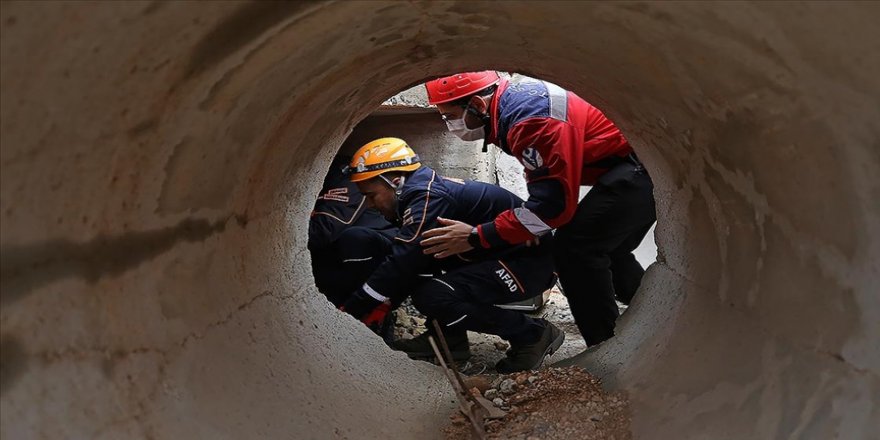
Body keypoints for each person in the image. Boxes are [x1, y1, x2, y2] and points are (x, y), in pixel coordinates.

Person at [420, 72, 656, 347]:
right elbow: (546, 188)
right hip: (633, 162)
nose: (451, 126)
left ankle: (606, 346)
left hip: (637, 166)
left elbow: (553, 207)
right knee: (607, 247)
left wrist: (475, 236)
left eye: (450, 116)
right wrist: (524, 226)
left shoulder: (530, 120)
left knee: (574, 249)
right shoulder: (514, 109)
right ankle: (655, 320)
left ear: (478, 104)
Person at [340, 137, 563, 373]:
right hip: (500, 256)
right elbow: (415, 260)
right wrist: (384, 301)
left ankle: (533, 334)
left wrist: (353, 311)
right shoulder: (417, 191)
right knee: (427, 260)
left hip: (529, 265)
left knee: (433, 295)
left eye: (371, 195)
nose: (369, 205)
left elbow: (402, 261)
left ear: (395, 182)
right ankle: (447, 338)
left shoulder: (426, 196)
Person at [308, 154, 398, 312]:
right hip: (348, 257)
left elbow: (323, 231)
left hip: (374, 256)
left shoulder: (350, 179)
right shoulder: (332, 178)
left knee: (353, 239)